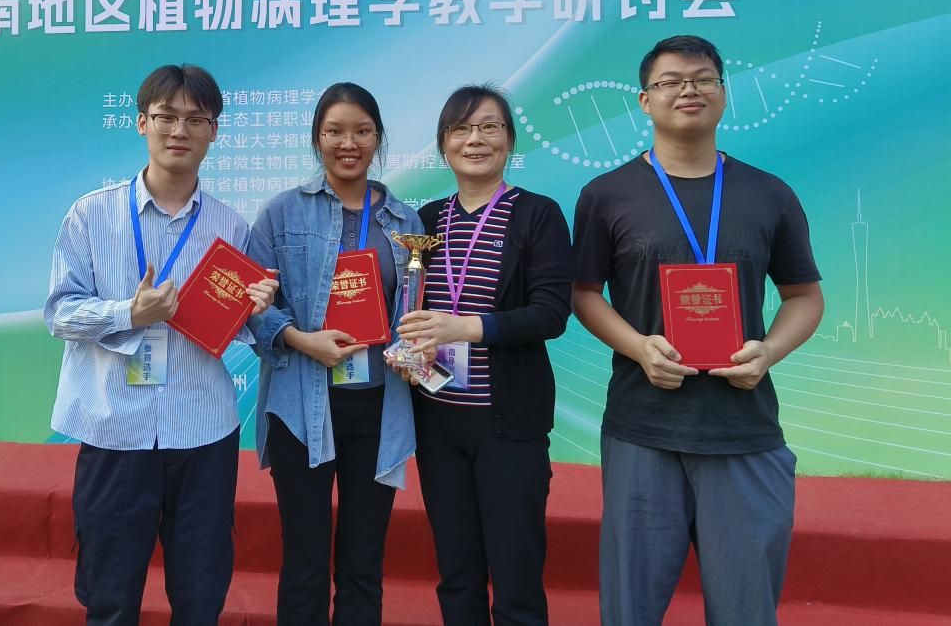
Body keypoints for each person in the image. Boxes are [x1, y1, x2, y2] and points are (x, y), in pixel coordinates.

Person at [571, 35, 825, 626]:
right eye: (671, 81)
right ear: (645, 100)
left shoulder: (769, 193)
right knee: (629, 609)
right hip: (642, 426)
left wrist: (768, 352)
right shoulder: (605, 195)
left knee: (746, 609)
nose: (689, 90)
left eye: (703, 79)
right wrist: (639, 348)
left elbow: (805, 297)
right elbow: (584, 293)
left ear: (723, 93)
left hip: (743, 427)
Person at [44, 63, 279, 626]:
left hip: (202, 433)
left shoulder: (230, 227)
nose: (180, 130)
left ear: (213, 131)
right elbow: (59, 313)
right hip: (115, 429)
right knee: (110, 595)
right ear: (142, 122)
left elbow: (240, 330)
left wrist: (256, 308)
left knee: (200, 595)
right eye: (167, 117)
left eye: (196, 119)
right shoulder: (91, 214)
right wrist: (129, 312)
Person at [393, 84, 572, 626]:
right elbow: (409, 303)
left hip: (508, 426)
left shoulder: (537, 215)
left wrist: (464, 327)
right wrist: (407, 349)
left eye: (489, 127)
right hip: (439, 422)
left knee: (516, 580)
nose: (475, 140)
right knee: (457, 575)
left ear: (509, 140)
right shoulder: (425, 221)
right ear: (443, 144)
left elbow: (550, 314)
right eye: (461, 129)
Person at [246, 82, 424, 626]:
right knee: (304, 562)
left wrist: (413, 348)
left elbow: (415, 309)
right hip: (301, 408)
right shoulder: (280, 213)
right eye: (335, 131)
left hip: (377, 410)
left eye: (362, 131)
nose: (349, 143)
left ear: (379, 138)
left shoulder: (406, 223)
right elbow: (252, 306)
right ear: (317, 138)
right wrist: (303, 340)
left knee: (363, 563)